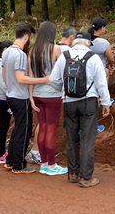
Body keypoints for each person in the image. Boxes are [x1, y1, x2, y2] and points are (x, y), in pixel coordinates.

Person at [49, 30, 112, 188]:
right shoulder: (94, 58)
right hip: (88, 101)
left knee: (71, 139)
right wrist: (105, 103)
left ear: (74, 41)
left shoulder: (64, 56)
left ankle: (73, 173)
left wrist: (63, 91)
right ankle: (86, 177)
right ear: (88, 43)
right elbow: (101, 84)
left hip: (68, 102)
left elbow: (53, 80)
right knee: (87, 140)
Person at [2, 22, 51, 174]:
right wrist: (43, 80)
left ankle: (11, 160)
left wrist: (11, 86)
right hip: (20, 97)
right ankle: (19, 165)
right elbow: (22, 78)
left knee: (17, 129)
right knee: (24, 131)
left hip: (10, 94)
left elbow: (5, 75)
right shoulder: (20, 55)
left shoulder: (7, 52)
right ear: (27, 36)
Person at [29, 21, 67, 175]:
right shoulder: (56, 49)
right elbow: (64, 70)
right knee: (51, 129)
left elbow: (30, 75)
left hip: (37, 94)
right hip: (52, 95)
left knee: (43, 128)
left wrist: (31, 97)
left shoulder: (32, 50)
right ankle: (51, 165)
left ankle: (44, 163)